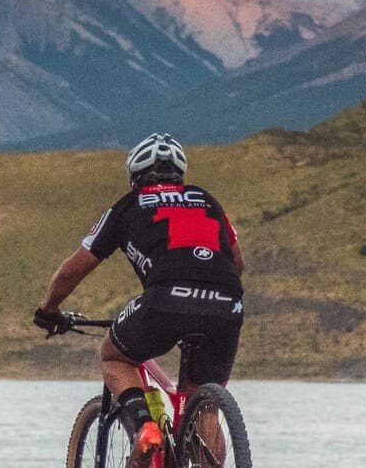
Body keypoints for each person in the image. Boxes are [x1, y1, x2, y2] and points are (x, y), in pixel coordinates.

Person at [33, 133, 244, 466]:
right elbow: (237, 263)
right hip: (228, 304)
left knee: (114, 356)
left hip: (165, 299)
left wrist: (49, 310)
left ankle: (145, 427)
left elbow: (73, 270)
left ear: (135, 178)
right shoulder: (207, 200)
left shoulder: (127, 206)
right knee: (204, 407)